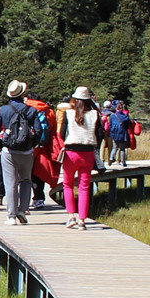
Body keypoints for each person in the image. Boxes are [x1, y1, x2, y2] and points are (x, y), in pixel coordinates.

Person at [0, 81, 46, 225]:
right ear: (23, 94)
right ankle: (22, 210)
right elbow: (39, 131)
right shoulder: (31, 110)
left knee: (10, 183)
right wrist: (32, 145)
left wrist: (1, 145)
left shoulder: (3, 110)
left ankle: (11, 216)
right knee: (26, 180)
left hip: (9, 151)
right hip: (27, 151)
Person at [53, 87, 105, 229]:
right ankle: (82, 220)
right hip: (88, 153)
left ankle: (71, 217)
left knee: (68, 185)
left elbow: (62, 134)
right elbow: (100, 134)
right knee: (84, 187)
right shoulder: (95, 114)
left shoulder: (68, 113)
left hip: (71, 153)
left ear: (75, 99)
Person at [102, 99, 133, 169]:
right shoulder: (125, 116)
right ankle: (123, 162)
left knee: (114, 147)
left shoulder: (113, 115)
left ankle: (111, 158)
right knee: (122, 148)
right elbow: (129, 124)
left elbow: (110, 124)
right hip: (123, 134)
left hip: (114, 134)